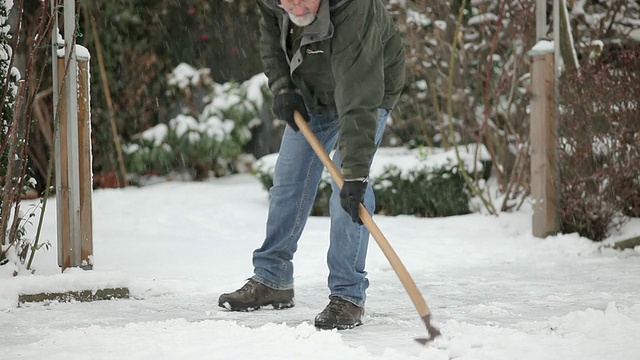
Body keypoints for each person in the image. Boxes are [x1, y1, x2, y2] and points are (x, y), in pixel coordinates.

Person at [218, 0, 405, 330]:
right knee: (288, 180)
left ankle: (348, 295)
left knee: (346, 190)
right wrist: (283, 87)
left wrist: (356, 174)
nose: (293, 4)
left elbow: (358, 91)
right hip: (312, 91)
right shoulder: (274, 3)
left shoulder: (353, 9)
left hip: (366, 89)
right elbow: (270, 38)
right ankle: (272, 279)